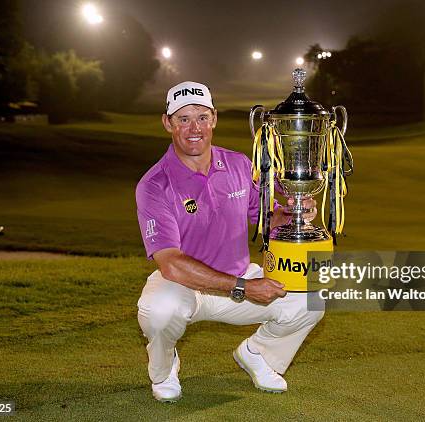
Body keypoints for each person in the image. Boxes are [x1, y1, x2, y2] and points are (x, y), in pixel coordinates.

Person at [136, 81, 325, 402]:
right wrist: (244, 287)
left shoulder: (238, 165)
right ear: (167, 123)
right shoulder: (155, 184)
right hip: (186, 287)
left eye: (201, 117)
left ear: (214, 119)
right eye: (183, 119)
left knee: (311, 300)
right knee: (159, 311)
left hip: (239, 281)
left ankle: (259, 355)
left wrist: (293, 212)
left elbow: (264, 217)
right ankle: (164, 370)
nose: (194, 128)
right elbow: (169, 263)